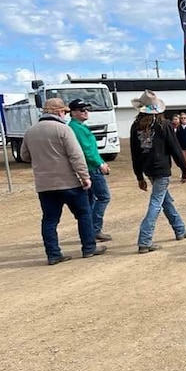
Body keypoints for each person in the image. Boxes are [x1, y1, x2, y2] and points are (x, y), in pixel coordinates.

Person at [20, 98, 106, 264]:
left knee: (50, 220)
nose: (65, 115)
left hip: (44, 184)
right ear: (59, 112)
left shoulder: (30, 131)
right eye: (64, 112)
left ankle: (53, 254)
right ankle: (89, 247)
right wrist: (85, 177)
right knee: (83, 214)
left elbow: (24, 156)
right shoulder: (63, 129)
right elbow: (76, 155)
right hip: (69, 182)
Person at [129, 90, 186, 254]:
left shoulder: (135, 127)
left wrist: (139, 176)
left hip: (148, 168)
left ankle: (180, 229)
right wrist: (185, 170)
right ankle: (144, 240)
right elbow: (175, 149)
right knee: (156, 202)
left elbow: (135, 153)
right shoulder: (163, 125)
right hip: (161, 169)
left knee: (165, 199)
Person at [68, 98, 112, 242]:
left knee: (91, 200)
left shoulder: (78, 126)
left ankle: (91, 230)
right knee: (103, 197)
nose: (86, 112)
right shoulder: (77, 128)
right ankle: (94, 229)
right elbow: (87, 151)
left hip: (89, 167)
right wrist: (100, 164)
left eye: (87, 109)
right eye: (82, 110)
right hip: (91, 168)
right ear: (73, 112)